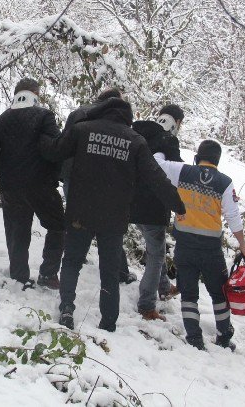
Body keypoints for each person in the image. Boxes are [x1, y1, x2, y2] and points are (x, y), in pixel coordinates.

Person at [39, 96, 185, 331]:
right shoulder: (135, 140)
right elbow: (155, 176)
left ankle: (67, 307)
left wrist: (40, 132)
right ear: (126, 117)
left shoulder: (82, 130)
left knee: (72, 262)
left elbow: (54, 151)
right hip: (114, 216)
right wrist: (178, 205)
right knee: (109, 270)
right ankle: (108, 321)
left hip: (80, 210)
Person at [154, 140, 245, 351]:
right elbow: (233, 216)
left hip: (185, 246)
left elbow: (156, 163)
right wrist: (243, 245)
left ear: (198, 156)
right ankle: (224, 337)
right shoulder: (224, 182)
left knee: (189, 294)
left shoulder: (182, 172)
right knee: (219, 294)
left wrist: (162, 145)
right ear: (218, 160)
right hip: (211, 250)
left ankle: (194, 338)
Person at [0, 78, 64, 289]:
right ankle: (48, 273)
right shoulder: (43, 116)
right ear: (35, 94)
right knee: (58, 226)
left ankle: (18, 274)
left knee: (17, 230)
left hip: (10, 184)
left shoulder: (0, 120)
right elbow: (55, 149)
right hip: (40, 184)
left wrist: (5, 172)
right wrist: (53, 174)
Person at [61, 88, 137, 285]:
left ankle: (77, 256)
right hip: (97, 179)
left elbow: (64, 141)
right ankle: (121, 272)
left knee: (77, 221)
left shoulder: (77, 113)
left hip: (71, 174)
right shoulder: (109, 121)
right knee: (109, 224)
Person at [129, 104, 185, 321]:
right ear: (177, 122)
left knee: (156, 249)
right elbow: (173, 172)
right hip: (153, 205)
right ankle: (146, 304)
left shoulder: (139, 133)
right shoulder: (168, 141)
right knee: (156, 255)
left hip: (132, 202)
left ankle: (163, 287)